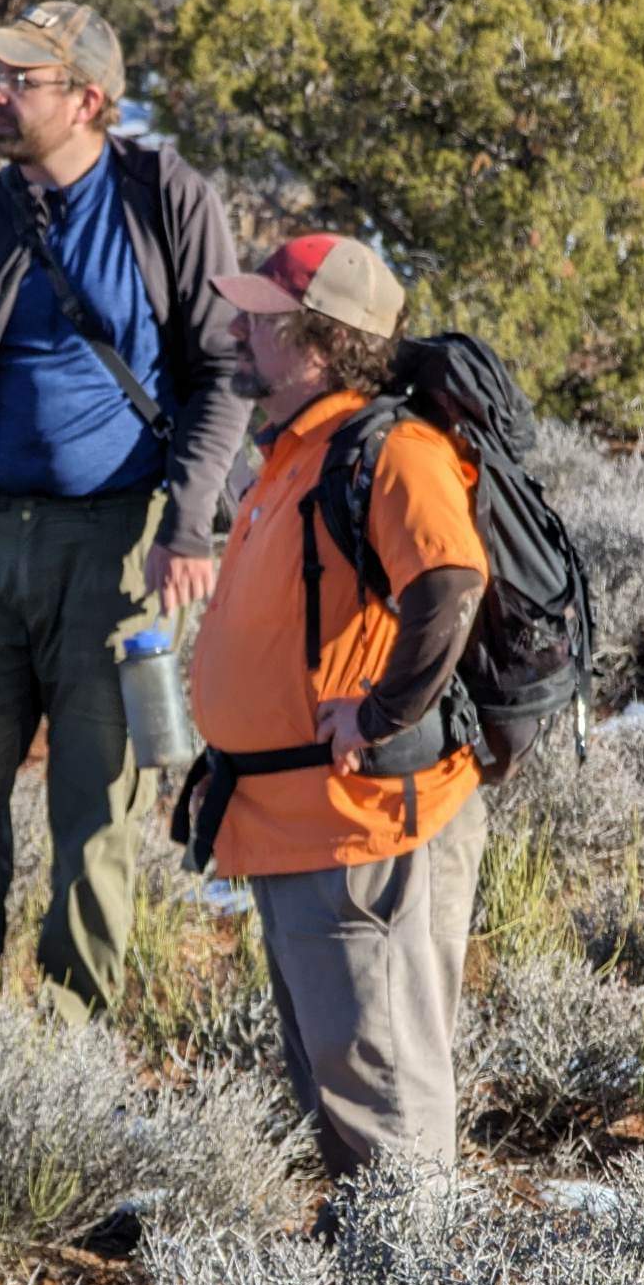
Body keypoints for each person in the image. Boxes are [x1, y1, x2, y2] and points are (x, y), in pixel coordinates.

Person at [0, 0, 246, 1021]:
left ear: (88, 99)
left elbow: (222, 373)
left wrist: (190, 524)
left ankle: (72, 1055)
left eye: (17, 80)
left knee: (98, 815)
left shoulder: (167, 197)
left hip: (120, 551)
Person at [185, 234, 489, 1182]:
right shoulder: (296, 452)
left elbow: (451, 584)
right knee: (340, 1086)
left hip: (363, 833)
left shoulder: (392, 452)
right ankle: (376, 1279)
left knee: (387, 1095)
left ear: (319, 339)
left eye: (261, 318)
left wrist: (382, 714)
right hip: (295, 827)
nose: (237, 327)